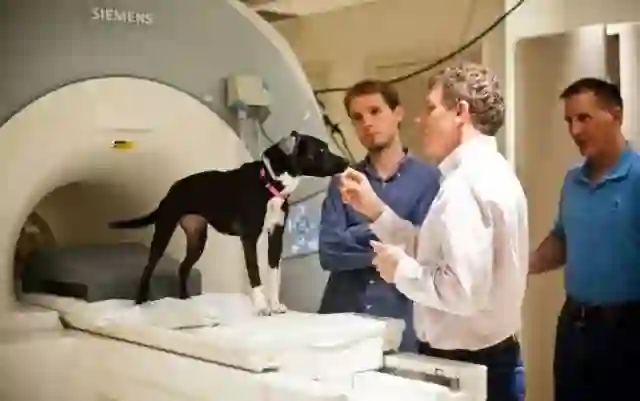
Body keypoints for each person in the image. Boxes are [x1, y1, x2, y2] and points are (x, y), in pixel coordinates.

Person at [339, 62, 528, 401]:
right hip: (490, 360)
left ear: (460, 112)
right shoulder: (490, 171)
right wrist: (377, 212)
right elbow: (436, 255)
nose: (420, 119)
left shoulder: (466, 185)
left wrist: (400, 271)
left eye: (431, 108)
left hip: (470, 365)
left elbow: (462, 292)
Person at [529, 77, 640, 401]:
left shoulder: (636, 178)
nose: (575, 130)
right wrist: (521, 265)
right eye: (569, 121)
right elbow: (562, 240)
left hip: (627, 331)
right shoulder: (572, 180)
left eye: (584, 118)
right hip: (574, 328)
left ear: (616, 115)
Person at [317, 79, 441, 352]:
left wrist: (355, 234)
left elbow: (425, 252)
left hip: (400, 327)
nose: (367, 123)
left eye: (375, 111)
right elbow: (329, 251)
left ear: (398, 113)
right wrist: (390, 239)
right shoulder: (344, 181)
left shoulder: (430, 181)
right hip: (340, 323)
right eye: (358, 117)